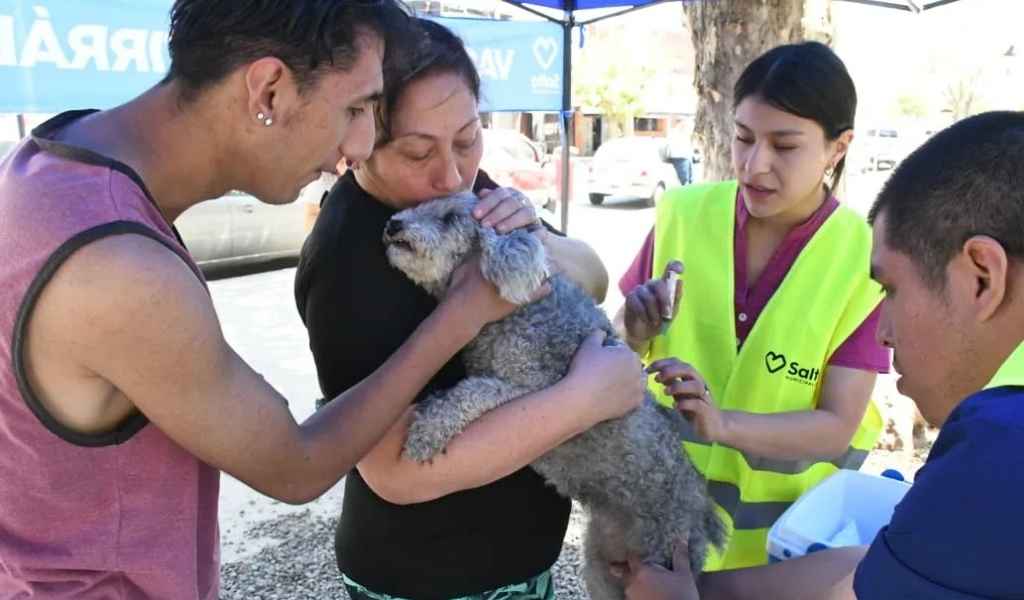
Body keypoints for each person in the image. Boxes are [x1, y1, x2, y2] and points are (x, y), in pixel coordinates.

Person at [0, 2, 537, 598]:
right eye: (355, 108)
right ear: (270, 89)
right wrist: (461, 315)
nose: (359, 145)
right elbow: (297, 464)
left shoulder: (46, 165)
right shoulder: (118, 268)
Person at [294, 19, 644, 600]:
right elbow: (393, 470)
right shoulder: (345, 261)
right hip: (430, 577)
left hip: (518, 563)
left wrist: (538, 239)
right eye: (417, 151)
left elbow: (595, 277)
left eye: (468, 137)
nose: (453, 173)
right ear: (359, 143)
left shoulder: (465, 192)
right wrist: (583, 400)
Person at [621, 110, 1024, 600]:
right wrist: (702, 590)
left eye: (890, 290)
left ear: (982, 276)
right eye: (742, 138)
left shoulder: (999, 447)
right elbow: (873, 567)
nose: (882, 332)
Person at [614, 41, 890, 571]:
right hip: (657, 519)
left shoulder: (866, 256)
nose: (755, 164)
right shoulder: (682, 214)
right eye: (743, 138)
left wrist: (723, 424)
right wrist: (633, 327)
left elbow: (837, 423)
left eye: (784, 146)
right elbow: (619, 338)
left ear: (839, 147)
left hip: (780, 551)